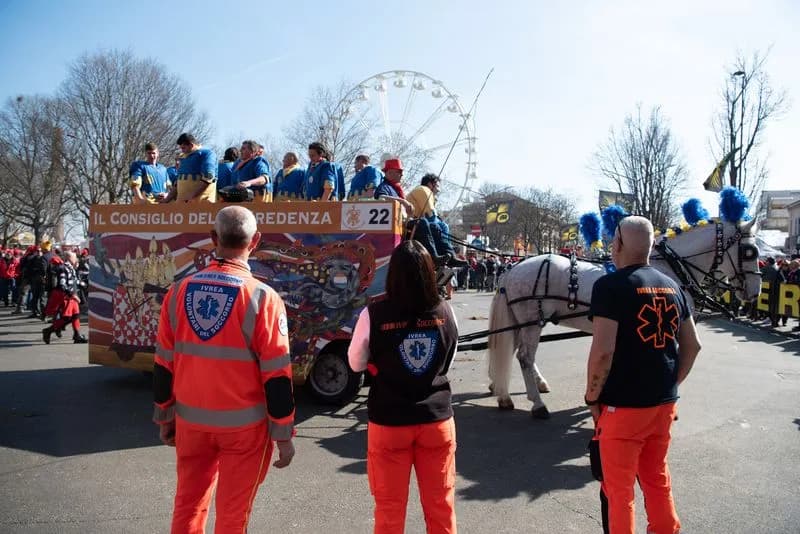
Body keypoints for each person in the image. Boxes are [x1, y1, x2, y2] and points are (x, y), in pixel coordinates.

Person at [152, 205, 296, 533]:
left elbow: (163, 363)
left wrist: (164, 415)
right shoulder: (264, 298)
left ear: (212, 238)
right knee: (233, 516)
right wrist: (283, 433)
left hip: (191, 425)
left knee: (188, 505)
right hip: (245, 431)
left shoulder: (177, 293)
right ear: (255, 241)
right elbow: (277, 374)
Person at [585, 215, 701, 534]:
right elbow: (693, 345)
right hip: (663, 404)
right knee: (656, 479)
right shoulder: (673, 286)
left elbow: (603, 353)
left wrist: (591, 396)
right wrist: (670, 383)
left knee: (619, 491)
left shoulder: (610, 286)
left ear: (618, 243)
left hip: (623, 407)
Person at [348, 240, 459, 534]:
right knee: (441, 506)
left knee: (389, 510)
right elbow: (447, 361)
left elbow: (355, 364)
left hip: (389, 421)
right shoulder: (445, 310)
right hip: (436, 419)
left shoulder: (374, 313)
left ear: (393, 274)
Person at [405, 173, 468, 268]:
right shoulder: (423, 190)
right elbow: (431, 215)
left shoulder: (430, 195)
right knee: (436, 226)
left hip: (417, 224)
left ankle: (449, 254)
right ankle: (436, 255)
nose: (439, 188)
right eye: (438, 185)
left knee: (442, 226)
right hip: (412, 225)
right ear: (430, 184)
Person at [42, 251, 87, 344]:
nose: (76, 259)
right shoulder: (64, 268)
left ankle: (77, 335)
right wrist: (73, 295)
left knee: (75, 316)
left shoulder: (71, 268)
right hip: (68, 297)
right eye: (75, 258)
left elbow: (73, 281)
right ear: (70, 258)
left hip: (71, 295)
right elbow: (63, 285)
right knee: (67, 317)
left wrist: (83, 284)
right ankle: (49, 330)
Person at [163, 133, 217, 203]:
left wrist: (192, 197)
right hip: (182, 206)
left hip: (201, 206)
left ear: (191, 145)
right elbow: (177, 182)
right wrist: (166, 200)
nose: (182, 150)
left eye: (183, 148)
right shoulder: (183, 157)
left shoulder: (207, 154)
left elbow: (208, 177)